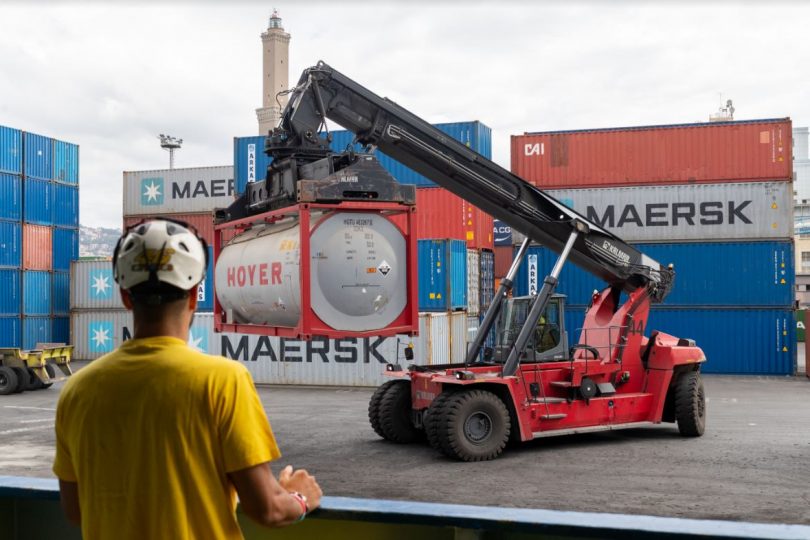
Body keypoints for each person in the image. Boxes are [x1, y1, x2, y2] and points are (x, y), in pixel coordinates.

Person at [53, 218, 322, 539]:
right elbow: (268, 509)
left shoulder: (78, 390)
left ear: (126, 297)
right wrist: (301, 497)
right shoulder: (222, 380)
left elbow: (75, 510)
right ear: (195, 294)